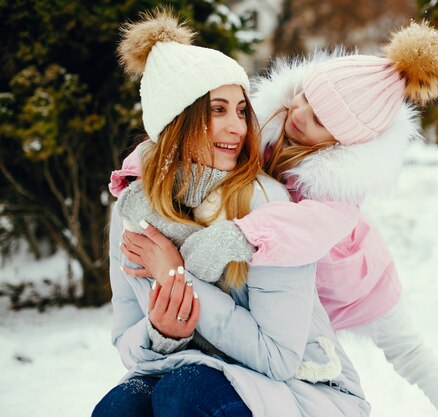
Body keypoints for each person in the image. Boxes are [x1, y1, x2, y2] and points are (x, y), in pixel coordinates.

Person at [94, 8, 370, 417]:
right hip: (181, 368)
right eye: (217, 110)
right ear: (176, 120)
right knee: (117, 409)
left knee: (184, 395)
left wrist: (177, 279)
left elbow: (278, 358)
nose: (238, 128)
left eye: (241, 111)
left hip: (304, 388)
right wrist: (162, 331)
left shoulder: (266, 206)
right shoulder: (135, 208)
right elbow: (126, 342)